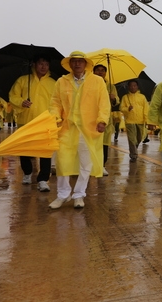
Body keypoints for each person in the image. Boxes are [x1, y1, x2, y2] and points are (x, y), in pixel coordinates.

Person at [48, 51, 111, 209]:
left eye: (80, 61)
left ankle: (79, 195)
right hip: (67, 127)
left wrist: (102, 120)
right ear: (70, 64)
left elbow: (104, 103)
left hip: (88, 129)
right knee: (62, 161)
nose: (77, 64)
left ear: (86, 64)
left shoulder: (97, 81)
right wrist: (55, 117)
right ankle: (62, 195)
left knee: (85, 162)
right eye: (74, 61)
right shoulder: (62, 81)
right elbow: (55, 102)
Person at [9, 54, 57, 191]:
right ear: (34, 65)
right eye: (41, 63)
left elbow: (57, 102)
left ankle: (43, 179)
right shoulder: (23, 80)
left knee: (45, 151)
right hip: (26, 121)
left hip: (45, 122)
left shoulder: (53, 83)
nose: (43, 67)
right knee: (24, 150)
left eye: (46, 64)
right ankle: (27, 172)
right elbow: (13, 95)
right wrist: (21, 102)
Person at [93, 64, 120, 176]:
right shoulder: (89, 83)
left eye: (102, 70)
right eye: (98, 70)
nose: (100, 72)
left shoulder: (111, 86)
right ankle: (91, 165)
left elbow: (117, 100)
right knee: (92, 143)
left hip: (105, 118)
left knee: (104, 144)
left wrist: (113, 98)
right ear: (93, 72)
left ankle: (102, 165)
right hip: (92, 116)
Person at [120, 79, 149, 163]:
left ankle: (133, 148)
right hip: (130, 121)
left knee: (139, 138)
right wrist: (127, 109)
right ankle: (134, 155)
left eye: (134, 86)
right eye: (131, 86)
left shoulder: (142, 97)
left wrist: (147, 120)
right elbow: (121, 108)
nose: (133, 87)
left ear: (137, 87)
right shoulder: (125, 97)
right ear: (128, 87)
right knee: (132, 139)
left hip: (140, 121)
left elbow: (146, 109)